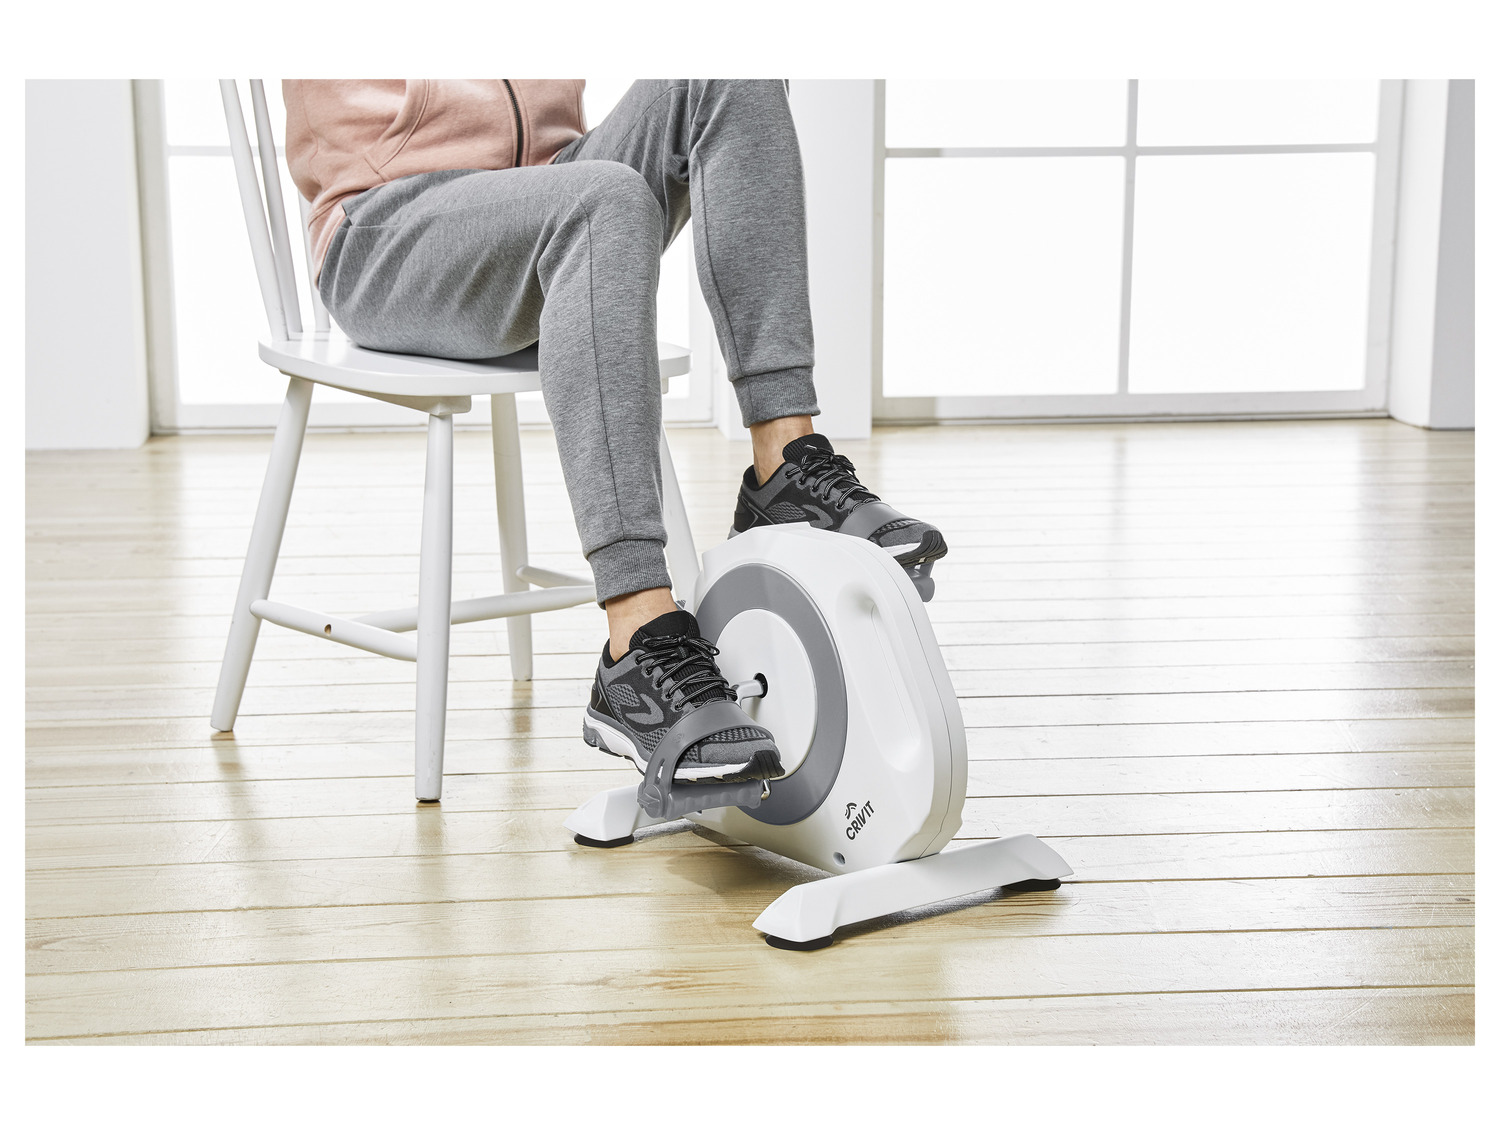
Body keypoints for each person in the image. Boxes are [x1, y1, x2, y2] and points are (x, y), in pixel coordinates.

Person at [284, 79, 947, 788]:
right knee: (605, 198)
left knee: (732, 67)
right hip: (387, 227)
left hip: (552, 182)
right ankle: (638, 643)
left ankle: (783, 465)